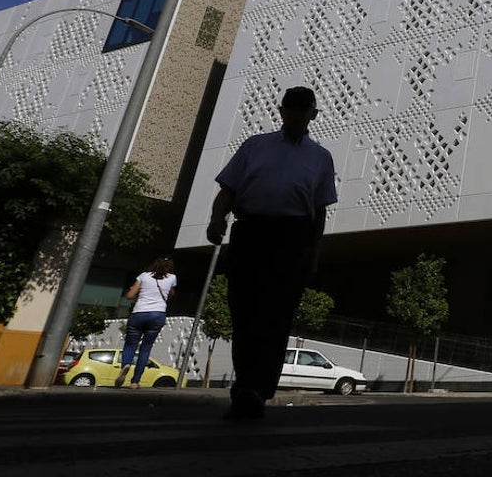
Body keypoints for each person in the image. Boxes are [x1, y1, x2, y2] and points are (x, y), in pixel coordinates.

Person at [206, 86, 337, 420]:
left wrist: (314, 255)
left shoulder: (320, 157)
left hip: (293, 238)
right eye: (289, 110)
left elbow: (319, 213)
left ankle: (257, 388)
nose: (294, 116)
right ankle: (246, 384)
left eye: (301, 110)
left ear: (313, 114)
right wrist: (217, 218)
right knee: (244, 310)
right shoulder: (255, 146)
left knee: (277, 314)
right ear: (281, 112)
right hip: (250, 232)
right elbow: (229, 190)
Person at [117, 255, 177, 388]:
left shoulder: (143, 276)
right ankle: (135, 382)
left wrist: (138, 291)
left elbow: (130, 296)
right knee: (145, 349)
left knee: (130, 345)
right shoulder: (172, 278)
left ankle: (126, 364)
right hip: (158, 315)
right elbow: (172, 294)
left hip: (139, 313)